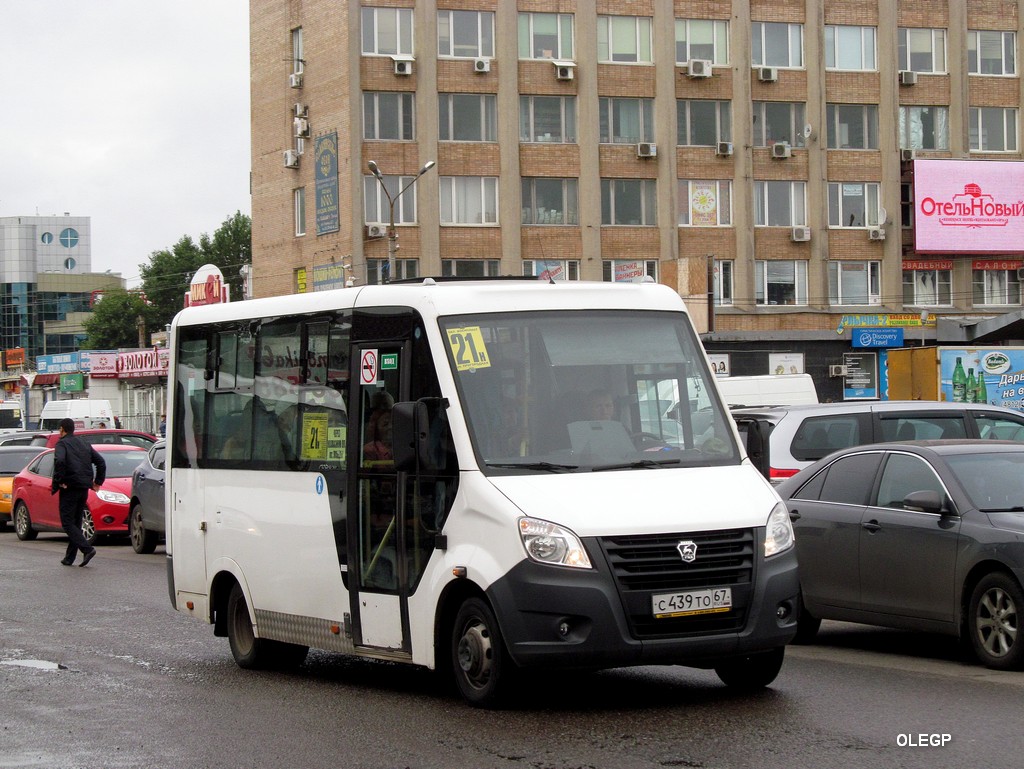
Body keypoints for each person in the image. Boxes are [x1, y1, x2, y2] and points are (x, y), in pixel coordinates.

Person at [51, 417, 106, 567]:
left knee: (67, 523)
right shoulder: (84, 443)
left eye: (59, 429)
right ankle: (69, 557)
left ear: (62, 429)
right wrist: (98, 482)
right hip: (83, 488)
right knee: (75, 522)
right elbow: (101, 461)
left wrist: (60, 480)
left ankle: (87, 549)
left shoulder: (62, 444)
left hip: (69, 487)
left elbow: (60, 461)